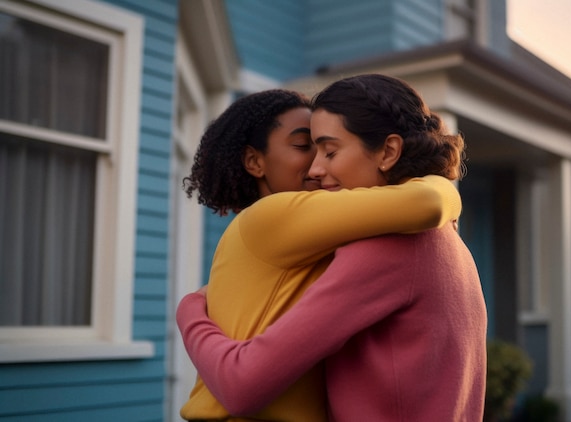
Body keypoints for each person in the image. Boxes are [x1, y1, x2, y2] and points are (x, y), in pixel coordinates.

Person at [178, 74, 487, 421]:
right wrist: (442, 184)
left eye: (329, 150)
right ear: (254, 161)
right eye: (305, 147)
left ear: (389, 151)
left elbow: (426, 200)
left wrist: (191, 309)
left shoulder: (387, 246)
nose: (315, 168)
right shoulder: (447, 243)